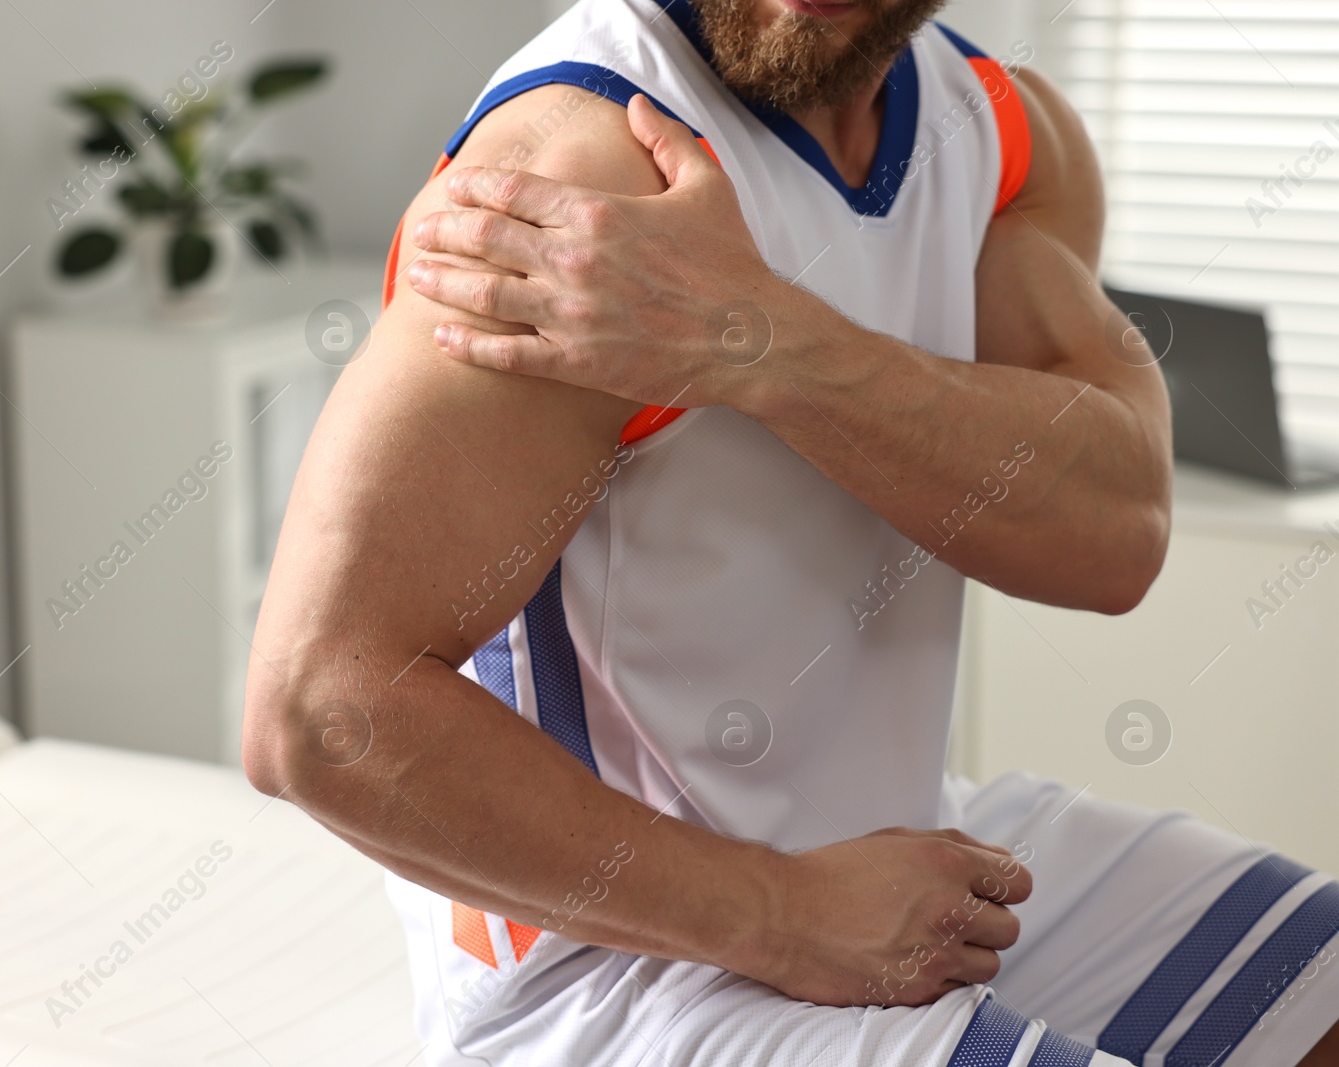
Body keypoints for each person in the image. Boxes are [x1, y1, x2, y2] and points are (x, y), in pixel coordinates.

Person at [241, 1, 1339, 1063]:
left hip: (893, 845)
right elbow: (322, 706)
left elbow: (1115, 532)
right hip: (606, 974)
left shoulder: (999, 129)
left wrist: (760, 340)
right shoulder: (579, 171)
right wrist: (782, 911)